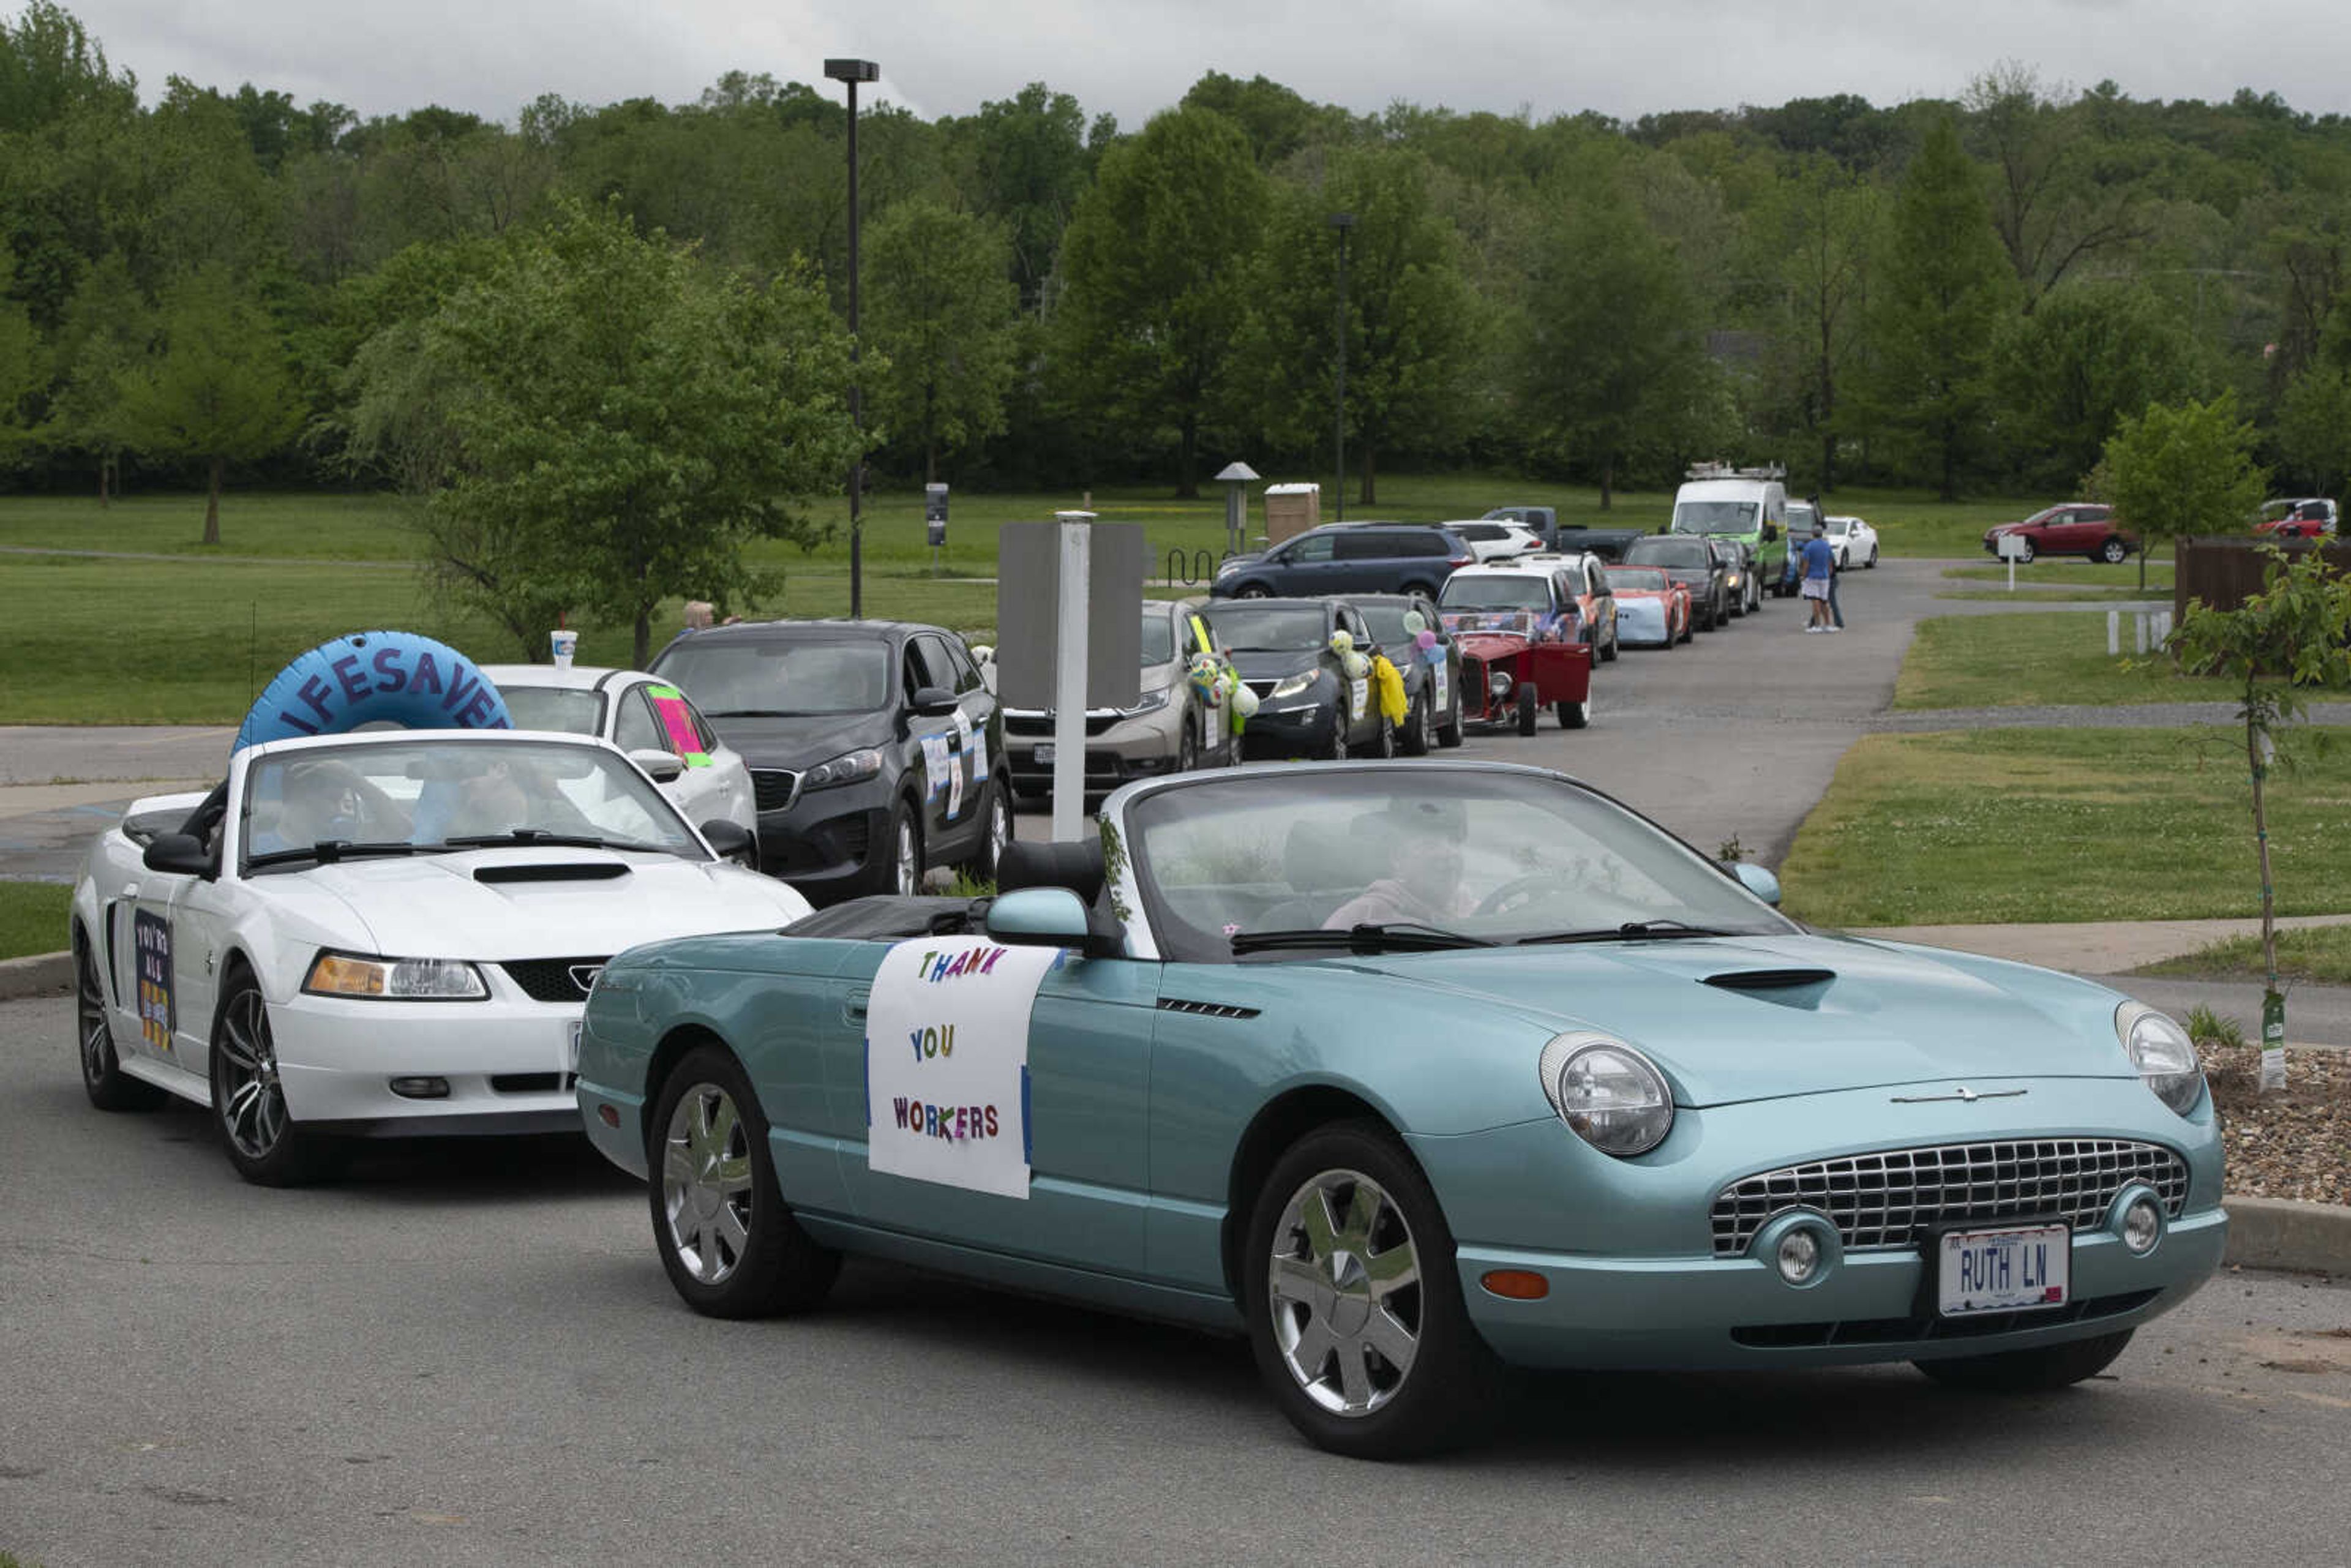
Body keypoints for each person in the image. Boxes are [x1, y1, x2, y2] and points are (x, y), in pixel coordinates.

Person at [1322, 839, 1469, 929]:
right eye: (1429, 845)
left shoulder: (1476, 910)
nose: (1448, 855)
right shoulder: (1363, 913)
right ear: (1398, 858)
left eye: (1454, 842)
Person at [1799, 521, 1839, 632]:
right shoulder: (1826, 545)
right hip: (1825, 576)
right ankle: (1828, 625)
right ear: (1822, 534)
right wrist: (1829, 573)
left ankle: (1817, 625)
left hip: (1812, 576)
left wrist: (1803, 575)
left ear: (1813, 534)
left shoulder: (1809, 546)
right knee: (1824, 601)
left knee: (1815, 600)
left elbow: (1806, 563)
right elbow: (1830, 562)